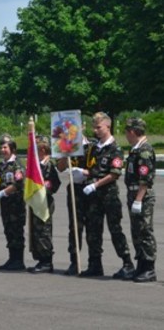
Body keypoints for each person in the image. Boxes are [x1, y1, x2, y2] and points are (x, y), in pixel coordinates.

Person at [77, 112, 133, 279]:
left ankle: (127, 263)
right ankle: (95, 263)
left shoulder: (115, 149)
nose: (96, 130)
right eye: (94, 127)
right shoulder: (94, 148)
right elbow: (91, 167)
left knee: (115, 230)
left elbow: (114, 173)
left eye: (98, 127)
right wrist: (82, 172)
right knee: (93, 230)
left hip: (108, 195)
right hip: (93, 197)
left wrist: (95, 184)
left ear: (108, 126)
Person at [123, 118, 157, 282]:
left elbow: (145, 178)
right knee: (136, 232)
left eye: (127, 131)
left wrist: (138, 200)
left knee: (144, 231)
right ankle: (141, 265)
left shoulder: (144, 150)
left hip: (141, 195)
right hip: (134, 194)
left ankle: (149, 268)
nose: (126, 135)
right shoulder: (135, 149)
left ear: (132, 132)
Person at [56, 132, 93, 275]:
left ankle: (94, 262)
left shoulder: (92, 147)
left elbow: (98, 170)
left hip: (89, 189)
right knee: (75, 227)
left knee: (92, 228)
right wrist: (65, 154)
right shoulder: (68, 147)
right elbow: (60, 167)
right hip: (74, 190)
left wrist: (84, 172)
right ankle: (74, 261)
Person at [0, 135, 26, 271]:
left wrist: (3, 193)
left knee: (16, 231)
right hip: (5, 205)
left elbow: (19, 183)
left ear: (13, 149)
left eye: (5, 147)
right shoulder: (0, 166)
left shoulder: (17, 165)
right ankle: (12, 258)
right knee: (8, 231)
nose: (2, 150)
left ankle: (19, 261)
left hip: (16, 204)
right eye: (1, 147)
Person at [28, 135, 62, 273]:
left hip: (44, 202)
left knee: (44, 231)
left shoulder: (48, 165)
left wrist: (45, 188)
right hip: (36, 201)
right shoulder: (36, 165)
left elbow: (55, 184)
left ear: (42, 148)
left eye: (36, 146)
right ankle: (40, 259)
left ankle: (47, 261)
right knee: (36, 230)